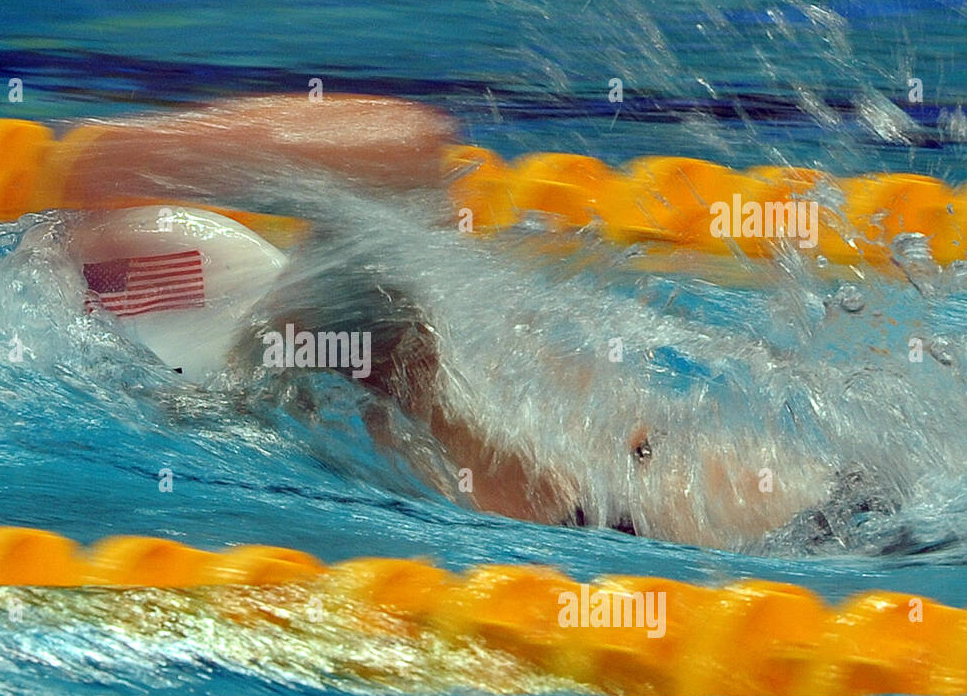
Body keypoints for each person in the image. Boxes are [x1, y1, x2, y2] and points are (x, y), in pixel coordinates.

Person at [52, 94, 829, 549]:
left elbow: (414, 151)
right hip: (814, 509)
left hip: (774, 534)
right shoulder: (299, 376)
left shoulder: (295, 368)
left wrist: (123, 154)